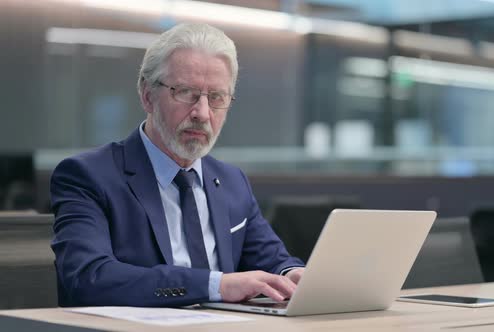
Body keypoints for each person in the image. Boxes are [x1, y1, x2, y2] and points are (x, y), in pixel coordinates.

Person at [50, 23, 305, 307]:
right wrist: (216, 285)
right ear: (147, 95)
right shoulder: (89, 176)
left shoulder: (232, 181)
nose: (202, 113)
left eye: (217, 97)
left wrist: (293, 275)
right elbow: (88, 279)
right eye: (185, 92)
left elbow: (273, 260)